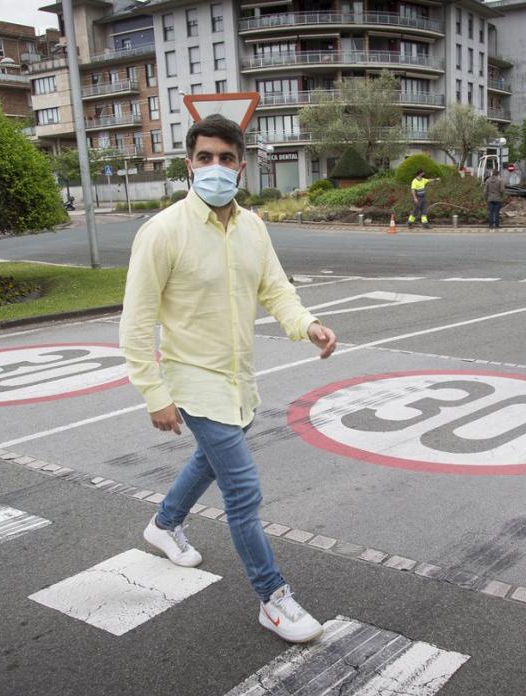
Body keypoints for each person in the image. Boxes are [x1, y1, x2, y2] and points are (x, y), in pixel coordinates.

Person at [119, 114, 338, 644]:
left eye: (225, 158)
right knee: (242, 489)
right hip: (192, 380)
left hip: (238, 379)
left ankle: (164, 523)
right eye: (204, 158)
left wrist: (306, 324)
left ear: (241, 167)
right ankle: (273, 597)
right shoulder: (163, 231)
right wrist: (155, 393)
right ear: (189, 165)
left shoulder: (253, 228)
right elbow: (136, 323)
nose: (215, 167)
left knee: (209, 461)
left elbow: (275, 288)